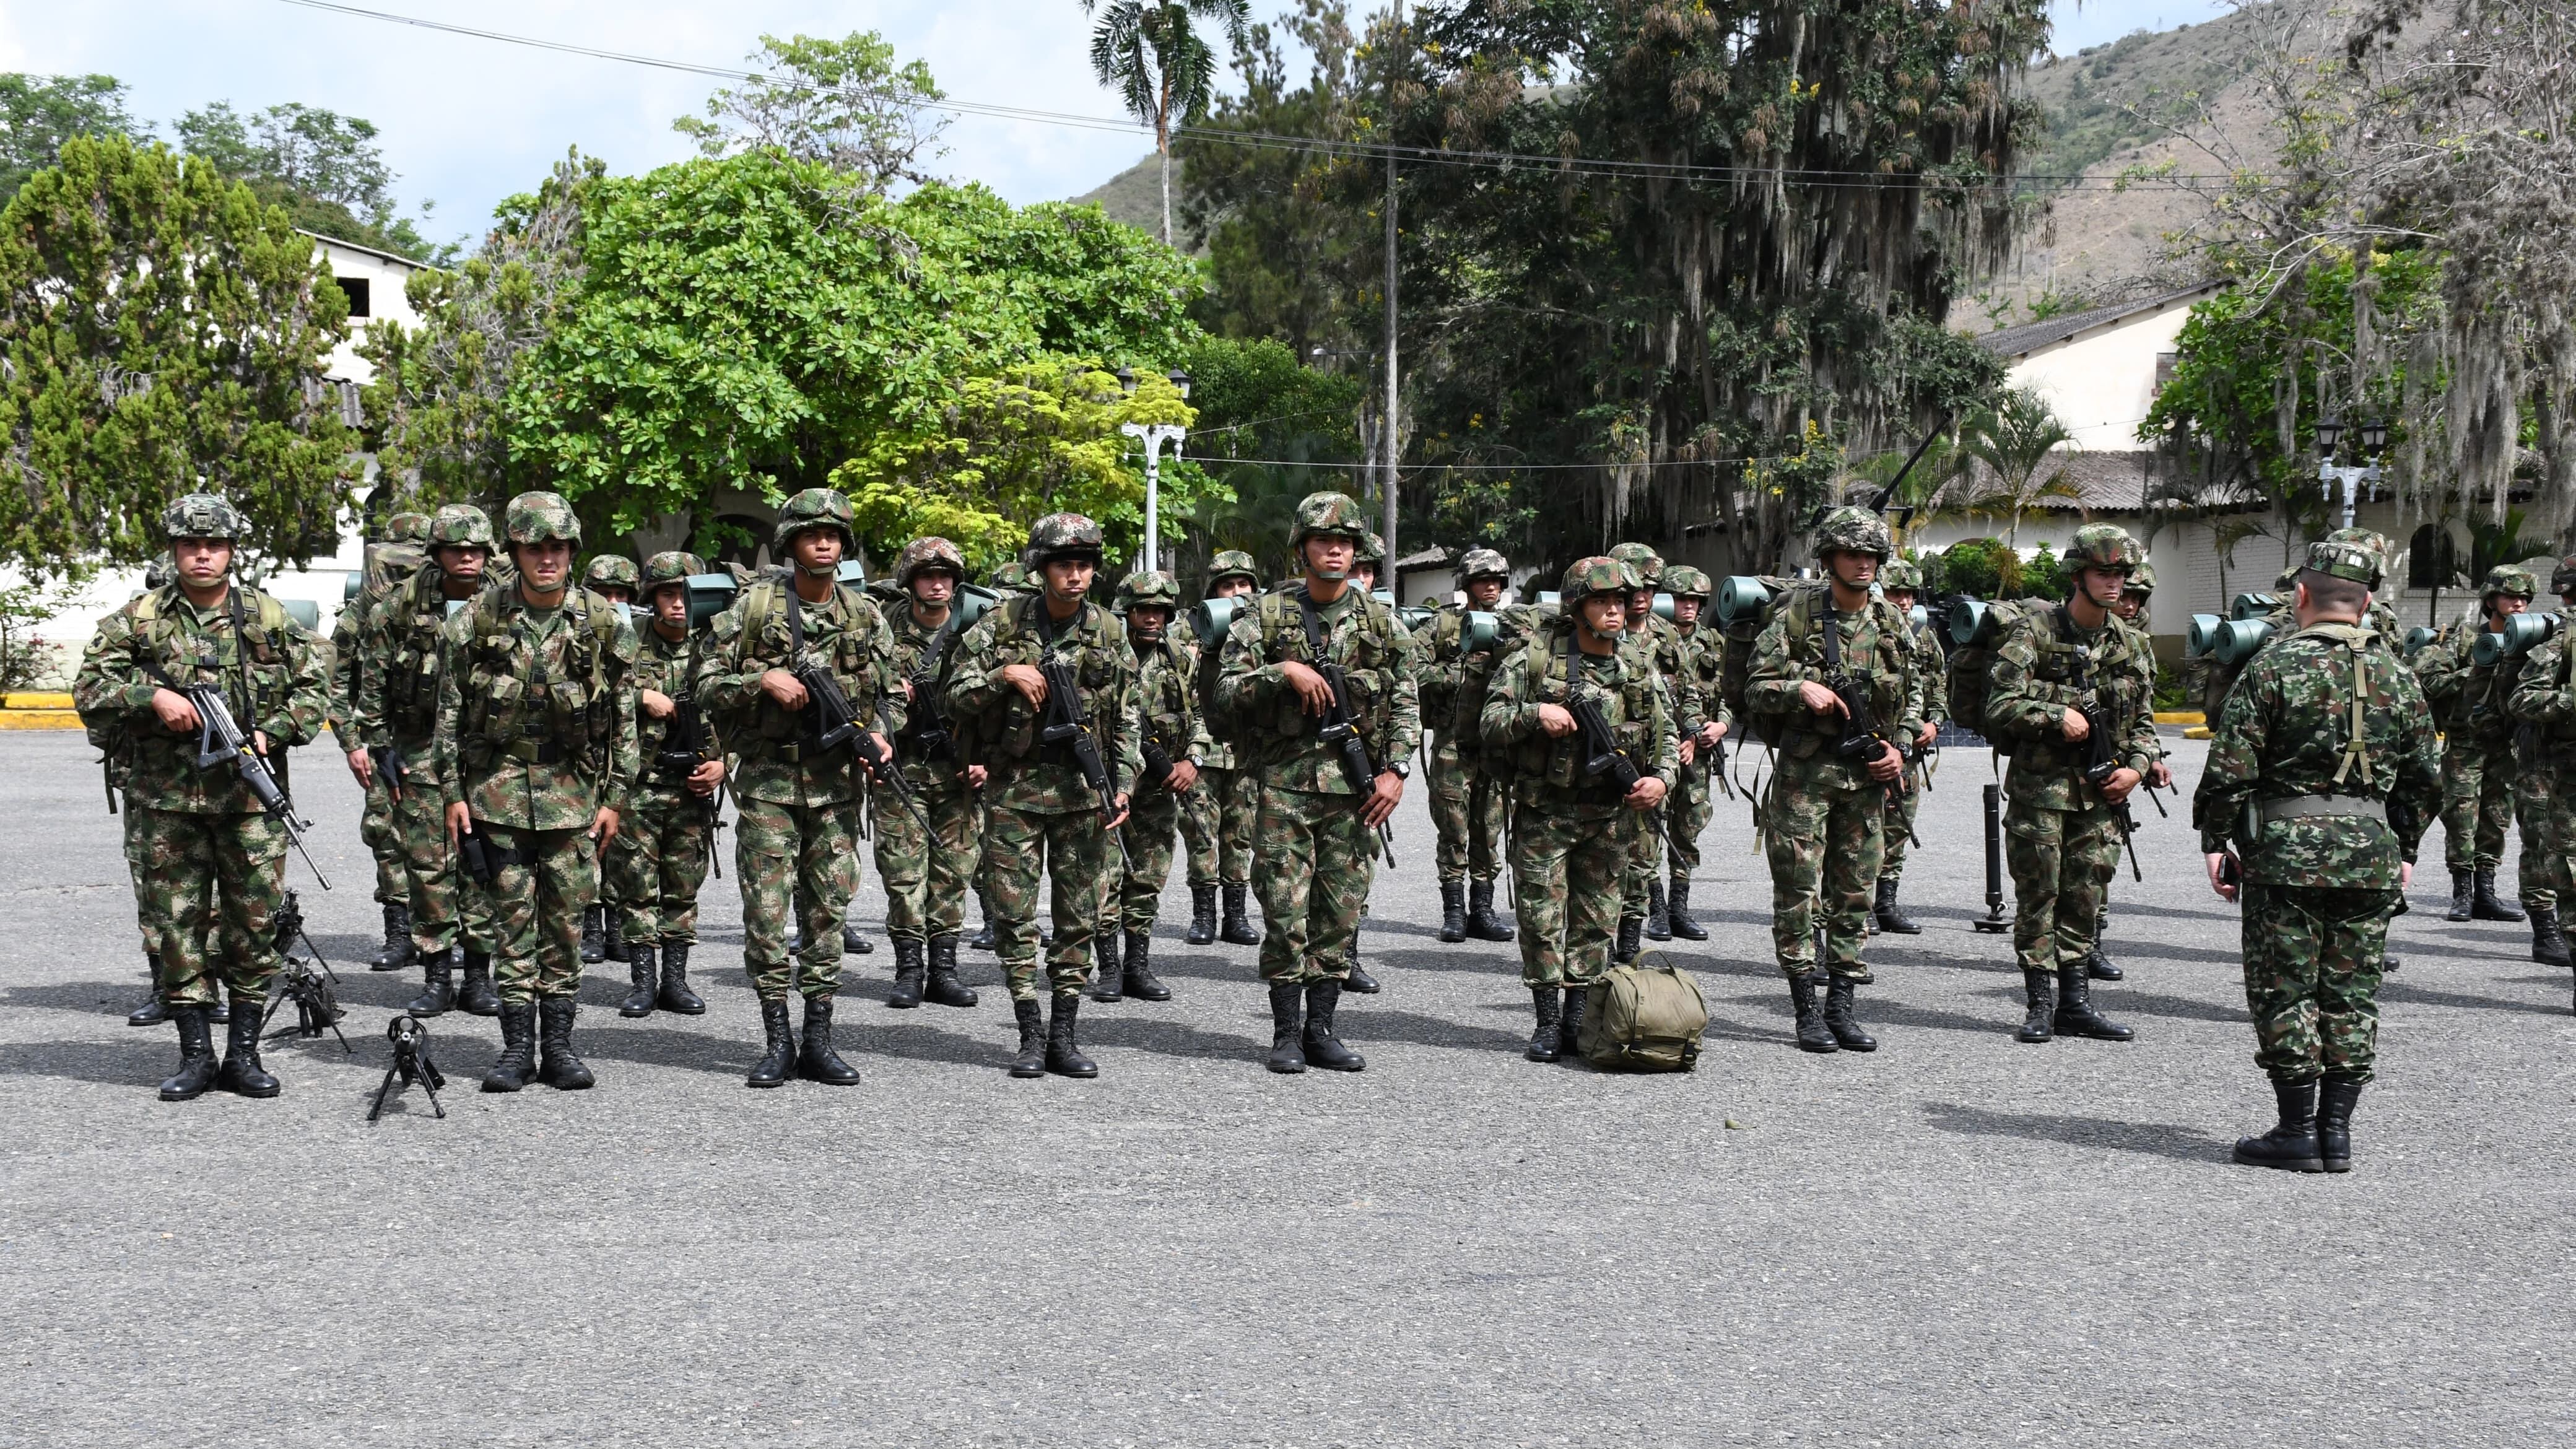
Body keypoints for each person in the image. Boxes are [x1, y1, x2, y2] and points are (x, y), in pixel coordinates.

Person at [74, 494, 331, 1100]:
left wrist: (272, 732)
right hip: (163, 803)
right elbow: (89, 685)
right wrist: (151, 699)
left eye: (213, 544)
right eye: (191, 545)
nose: (202, 554)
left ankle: (242, 1057)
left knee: (253, 925)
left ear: (231, 551)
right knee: (173, 926)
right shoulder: (139, 620)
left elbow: (316, 688)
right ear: (174, 550)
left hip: (247, 804)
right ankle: (196, 1056)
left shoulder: (267, 617)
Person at [2196, 537, 2440, 1173]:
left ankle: (2295, 1129)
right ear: (2362, 606)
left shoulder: (2273, 666)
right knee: (2350, 993)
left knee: (2285, 991)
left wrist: (2216, 841)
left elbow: (2230, 768)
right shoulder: (2398, 674)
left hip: (2283, 856)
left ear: (2300, 595)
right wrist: (2403, 846)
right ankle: (2336, 1133)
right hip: (2369, 856)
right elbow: (2425, 779)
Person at [694, 489, 900, 1088]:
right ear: (790, 542)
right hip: (767, 786)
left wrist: (883, 735)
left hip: (836, 790)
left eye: (833, 534)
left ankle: (818, 1039)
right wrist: (763, 682)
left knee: (828, 915)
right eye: (813, 533)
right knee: (765, 916)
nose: (824, 542)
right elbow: (704, 682)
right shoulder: (753, 608)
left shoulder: (863, 615)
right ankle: (776, 1039)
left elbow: (890, 693)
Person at [434, 492, 638, 1094]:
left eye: (555, 547)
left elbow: (625, 717)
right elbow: (447, 717)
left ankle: (560, 1048)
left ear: (570, 551)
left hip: (575, 800)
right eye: (533, 547)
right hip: (497, 798)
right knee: (512, 925)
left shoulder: (601, 619)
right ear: (515, 551)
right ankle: (517, 1049)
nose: (545, 558)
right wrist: (452, 794)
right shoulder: (476, 619)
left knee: (566, 927)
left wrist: (614, 799)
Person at [1216, 492, 1420, 1074]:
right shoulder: (1266, 616)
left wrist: (1396, 771)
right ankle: (1284, 1034)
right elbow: (1225, 693)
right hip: (1284, 788)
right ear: (1302, 548)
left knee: (1340, 913)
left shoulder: (1382, 623)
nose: (1335, 549)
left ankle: (1322, 1030)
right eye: (1324, 540)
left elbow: (1407, 705)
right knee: (1284, 911)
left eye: (1346, 542)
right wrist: (1282, 671)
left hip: (1357, 795)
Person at [946, 513, 1139, 1078]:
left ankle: (1064, 1035)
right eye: (1064, 565)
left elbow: (1128, 716)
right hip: (1015, 791)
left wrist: (1123, 787)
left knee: (1079, 917)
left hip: (1084, 793)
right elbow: (952, 694)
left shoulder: (1108, 629)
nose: (1075, 576)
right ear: (1041, 568)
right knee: (1014, 915)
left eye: (1083, 565)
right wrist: (1004, 674)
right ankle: (1029, 1032)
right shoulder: (1000, 624)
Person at [1481, 557, 1677, 1060]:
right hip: (1547, 812)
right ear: (1576, 606)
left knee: (1596, 921)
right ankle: (1547, 1021)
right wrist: (1534, 712)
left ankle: (1578, 1019)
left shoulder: (1637, 664)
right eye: (1601, 601)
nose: (1614, 610)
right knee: (1542, 919)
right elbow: (1491, 721)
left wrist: (1661, 780)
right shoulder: (1534, 660)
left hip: (1611, 817)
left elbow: (1666, 733)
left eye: (1619, 600)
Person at [1742, 506, 1920, 1053]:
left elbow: (1915, 694)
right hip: (1806, 778)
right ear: (1829, 559)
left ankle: (1842, 1007)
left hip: (1866, 782)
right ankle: (1805, 1011)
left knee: (1854, 895)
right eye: (1852, 554)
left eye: (1872, 555)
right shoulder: (1795, 616)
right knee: (1797, 893)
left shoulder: (1890, 621)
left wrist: (1902, 748)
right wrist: (1799, 689)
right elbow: (1754, 687)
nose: (1864, 564)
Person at [1983, 525, 2158, 1045]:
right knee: (2039, 895)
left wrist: (2139, 768)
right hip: (2042, 791)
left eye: (2121, 574)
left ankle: (2076, 1005)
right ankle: (2040, 1003)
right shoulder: (2033, 632)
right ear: (2078, 575)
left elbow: (2146, 721)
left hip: (2103, 795)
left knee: (2085, 896)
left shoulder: (2131, 643)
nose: (2115, 583)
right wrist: (2053, 714)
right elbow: (1999, 706)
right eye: (2105, 572)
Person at [352, 505, 508, 1019]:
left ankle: (479, 978)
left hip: (484, 754)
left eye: (476, 550)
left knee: (482, 865)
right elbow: (371, 683)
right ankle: (437, 976)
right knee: (428, 866)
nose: (467, 559)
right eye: (456, 550)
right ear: (437, 554)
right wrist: (378, 746)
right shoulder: (396, 608)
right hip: (418, 749)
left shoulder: (509, 604)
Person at [604, 551, 721, 1018]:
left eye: (687, 595)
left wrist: (723, 765)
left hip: (691, 787)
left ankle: (675, 979)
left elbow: (741, 715)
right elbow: (593, 693)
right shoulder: (626, 642)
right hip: (638, 785)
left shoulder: (716, 647)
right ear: (652, 598)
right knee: (635, 885)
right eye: (669, 594)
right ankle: (642, 981)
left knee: (682, 886)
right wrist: (638, 696)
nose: (678, 604)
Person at [874, 536, 983, 1011]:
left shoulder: (974, 634)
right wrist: (889, 698)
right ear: (910, 582)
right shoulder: (884, 633)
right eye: (928, 576)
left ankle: (943, 970)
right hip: (903, 772)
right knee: (903, 874)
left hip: (959, 774)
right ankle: (908, 970)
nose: (938, 585)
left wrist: (986, 759)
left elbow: (995, 704)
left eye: (946, 577)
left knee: (953, 875)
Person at [1099, 570, 1209, 1003]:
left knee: (1147, 877)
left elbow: (1203, 714)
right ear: (1126, 612)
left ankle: (1137, 965)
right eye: (1143, 610)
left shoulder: (1182, 657)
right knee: (1105, 874)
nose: (1151, 618)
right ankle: (1108, 966)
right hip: (1110, 782)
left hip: (1161, 785)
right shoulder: (1106, 654)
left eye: (1159, 611)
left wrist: (1193, 759)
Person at [337, 510, 432, 974]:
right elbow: (334, 677)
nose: (406, 574)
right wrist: (352, 740)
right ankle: (400, 933)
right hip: (381, 736)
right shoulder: (365, 614)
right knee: (387, 834)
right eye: (398, 566)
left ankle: (445, 933)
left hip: (438, 738)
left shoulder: (452, 604)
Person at [2416, 565, 2538, 924]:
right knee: (2461, 816)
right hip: (2466, 743)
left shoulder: (2530, 641)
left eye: (2523, 598)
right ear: (2490, 600)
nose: (2517, 604)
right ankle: (2462, 893)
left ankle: (2486, 891)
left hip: (2506, 743)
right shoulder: (2465, 639)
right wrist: (2475, 670)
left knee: (2497, 819)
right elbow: (2428, 678)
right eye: (2509, 597)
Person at [1419, 549, 1523, 944]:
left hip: (1497, 746)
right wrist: (1456, 671)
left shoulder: (1516, 625)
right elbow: (1414, 668)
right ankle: (1454, 912)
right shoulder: (1443, 624)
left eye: (1498, 580)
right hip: (1453, 744)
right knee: (1453, 827)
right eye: (1483, 579)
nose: (1491, 586)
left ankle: (1483, 909)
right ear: (1467, 584)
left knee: (1490, 830)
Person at [1607, 541, 1702, 957]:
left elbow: (1689, 692)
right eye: (1634, 587)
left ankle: (1630, 952)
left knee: (1647, 853)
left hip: (1654, 761)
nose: (1642, 595)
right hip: (1605, 764)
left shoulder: (1665, 635)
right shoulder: (1599, 632)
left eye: (1649, 587)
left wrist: (1692, 735)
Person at [1181, 550, 1264, 947]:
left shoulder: (1264, 630)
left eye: (1243, 585)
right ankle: (1203, 915)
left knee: (1241, 834)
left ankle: (1236, 915)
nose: (1236, 594)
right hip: (1203, 751)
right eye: (1227, 586)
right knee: (1201, 832)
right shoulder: (1189, 635)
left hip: (1246, 752)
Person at [2506, 553, 2576, 978]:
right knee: (2560, 861)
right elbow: (2522, 699)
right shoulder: (2560, 642)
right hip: (2560, 769)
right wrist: (2570, 703)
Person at [1868, 559, 1944, 936]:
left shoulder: (1925, 636)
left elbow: (1938, 688)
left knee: (1898, 825)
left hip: (1911, 752)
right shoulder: (1872, 629)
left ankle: (1886, 903)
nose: (1903, 600)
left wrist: (1935, 724)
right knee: (1865, 827)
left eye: (1909, 594)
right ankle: (1859, 902)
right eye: (1896, 592)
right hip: (1875, 748)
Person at [1657, 565, 1729, 942]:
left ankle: (1678, 908)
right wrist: (1681, 737)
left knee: (1688, 829)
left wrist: (1722, 726)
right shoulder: (1651, 639)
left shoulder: (1714, 642)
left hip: (1701, 751)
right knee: (1649, 828)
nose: (1689, 607)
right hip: (1660, 749)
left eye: (1696, 600)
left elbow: (1728, 693)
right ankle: (1653, 908)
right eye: (1682, 599)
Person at [579, 553, 643, 966]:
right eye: (604, 594)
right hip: (585, 754)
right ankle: (590, 924)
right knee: (587, 843)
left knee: (624, 846)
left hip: (630, 754)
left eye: (621, 594)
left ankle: (618, 925)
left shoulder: (645, 634)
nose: (613, 601)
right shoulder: (577, 631)